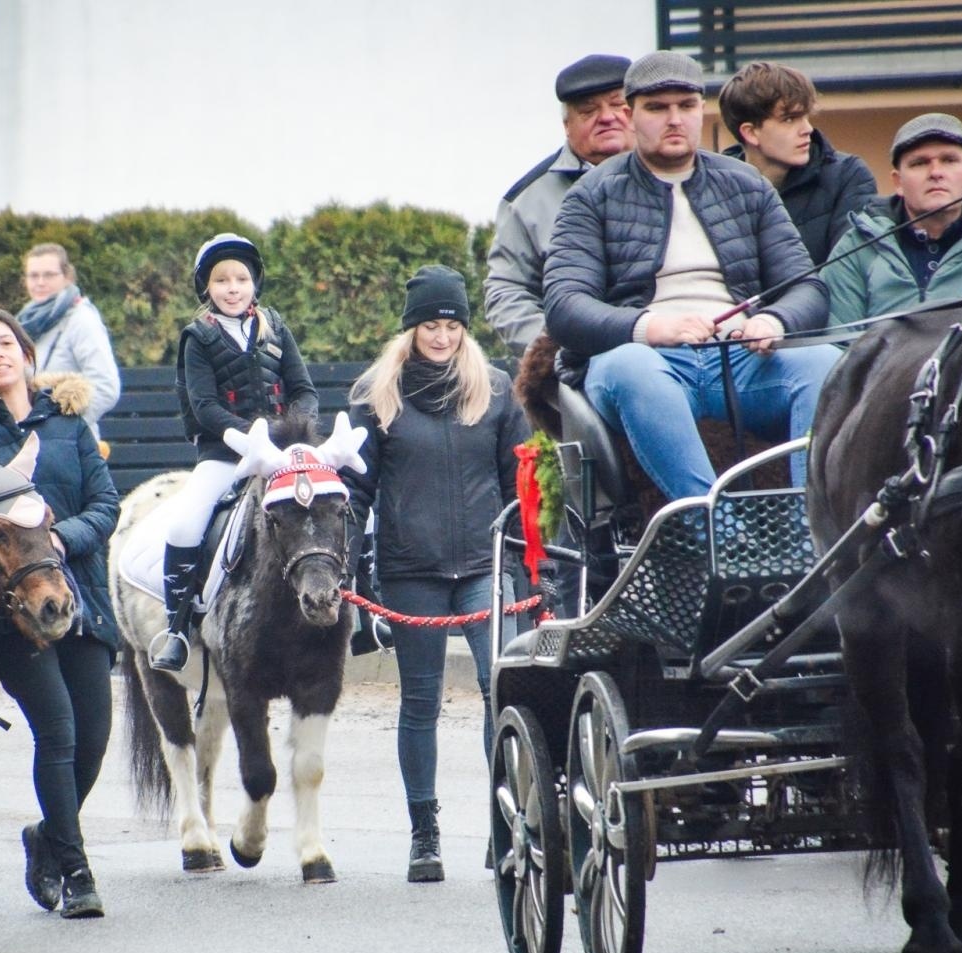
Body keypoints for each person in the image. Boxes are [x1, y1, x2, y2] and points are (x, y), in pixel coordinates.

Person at [541, 51, 841, 503]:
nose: (674, 119)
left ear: (702, 109)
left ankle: (805, 533)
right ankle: (720, 533)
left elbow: (807, 286)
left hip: (740, 360)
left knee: (824, 363)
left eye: (686, 105)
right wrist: (650, 328)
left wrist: (774, 321)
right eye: (657, 108)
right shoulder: (591, 196)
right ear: (630, 114)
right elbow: (564, 306)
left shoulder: (747, 184)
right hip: (644, 362)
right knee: (632, 368)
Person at [343, 266, 530, 883]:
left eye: (452, 325)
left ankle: (506, 820)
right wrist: (351, 573)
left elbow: (516, 485)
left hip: (483, 563)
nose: (443, 336)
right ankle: (424, 834)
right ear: (412, 328)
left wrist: (529, 563)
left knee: (497, 688)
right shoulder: (376, 394)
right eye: (431, 325)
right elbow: (357, 491)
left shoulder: (498, 390)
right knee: (419, 702)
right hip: (411, 568)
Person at [0, 308, 119, 920]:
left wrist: (63, 539)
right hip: (11, 614)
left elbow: (106, 502)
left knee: (94, 739)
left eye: (6, 343)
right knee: (59, 731)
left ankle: (46, 837)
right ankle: (76, 872)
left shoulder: (70, 424)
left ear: (25, 352)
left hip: (81, 599)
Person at [151, 233, 319, 672]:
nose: (232, 287)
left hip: (282, 453)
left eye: (240, 278)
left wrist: (291, 432)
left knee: (337, 504)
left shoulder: (275, 327)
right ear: (206, 286)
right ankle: (177, 627)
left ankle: (361, 615)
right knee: (185, 526)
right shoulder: (197, 338)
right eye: (221, 279)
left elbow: (303, 391)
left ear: (253, 283)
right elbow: (204, 406)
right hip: (225, 453)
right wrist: (250, 437)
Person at [484, 54, 634, 357]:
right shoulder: (526, 201)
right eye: (588, 110)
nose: (607, 117)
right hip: (578, 368)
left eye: (618, 105)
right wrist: (557, 350)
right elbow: (507, 291)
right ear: (567, 124)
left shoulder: (679, 176)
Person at [822, 113, 962, 328]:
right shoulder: (857, 248)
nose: (936, 172)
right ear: (898, 182)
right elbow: (837, 348)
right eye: (919, 163)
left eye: (949, 160)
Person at [717, 61, 876, 266]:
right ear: (750, 132)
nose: (807, 128)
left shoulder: (847, 176)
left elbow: (851, 271)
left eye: (806, 116)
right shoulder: (714, 188)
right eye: (790, 119)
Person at [17, 242, 122, 438]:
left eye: (49, 275)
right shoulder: (26, 321)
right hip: (30, 442)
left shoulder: (81, 319)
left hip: (72, 447)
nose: (40, 282)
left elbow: (107, 387)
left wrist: (63, 428)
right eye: (33, 275)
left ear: (67, 277)